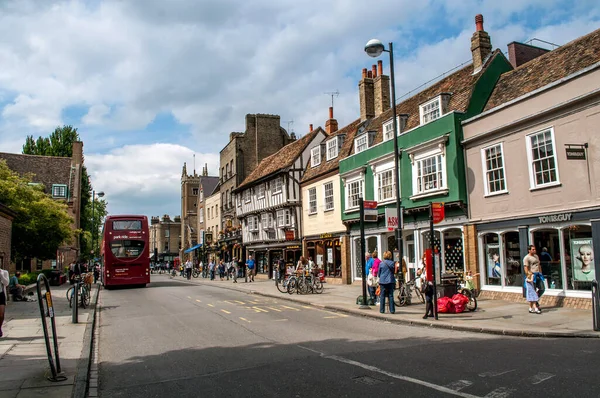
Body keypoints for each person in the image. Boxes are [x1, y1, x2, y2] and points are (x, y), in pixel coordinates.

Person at [524, 245, 544, 310]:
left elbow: (539, 265)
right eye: (533, 249)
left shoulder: (536, 256)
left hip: (538, 274)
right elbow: (526, 268)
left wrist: (541, 273)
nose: (534, 250)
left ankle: (535, 299)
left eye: (535, 249)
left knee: (542, 288)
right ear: (529, 250)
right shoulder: (526, 258)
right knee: (533, 290)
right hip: (532, 275)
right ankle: (535, 304)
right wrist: (529, 277)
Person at [0, 265, 9, 337]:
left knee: (1, 314)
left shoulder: (4, 272)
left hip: (1, 294)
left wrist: (1, 275)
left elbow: (6, 283)